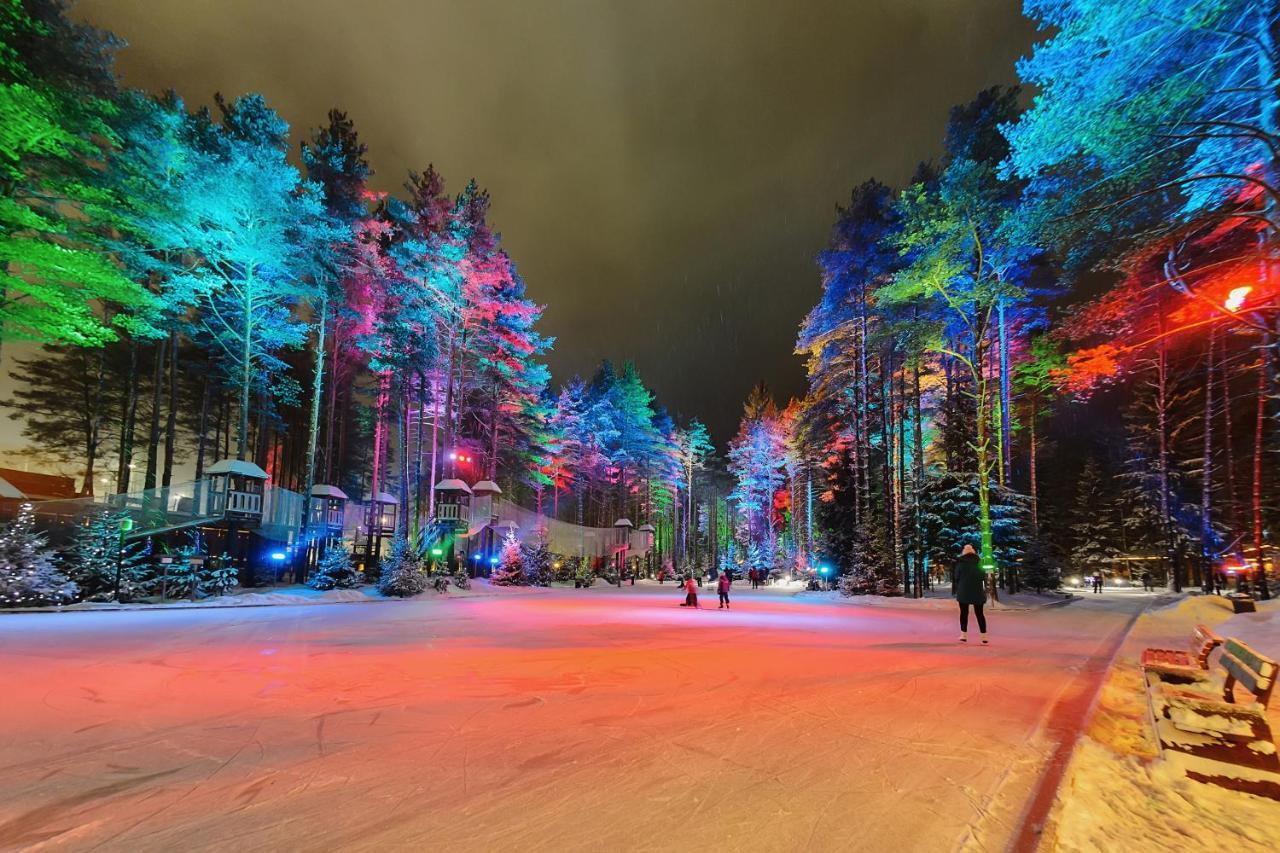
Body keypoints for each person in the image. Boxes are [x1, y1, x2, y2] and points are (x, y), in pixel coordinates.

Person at [952, 544, 988, 644]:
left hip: (964, 591)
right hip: (978, 591)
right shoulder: (979, 562)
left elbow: (956, 577)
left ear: (964, 553)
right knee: (979, 614)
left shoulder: (960, 563)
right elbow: (983, 577)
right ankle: (984, 636)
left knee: (964, 613)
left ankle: (963, 635)